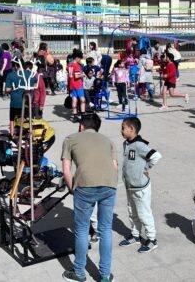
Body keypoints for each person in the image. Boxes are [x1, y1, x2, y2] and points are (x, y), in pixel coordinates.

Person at [61, 113, 118, 282]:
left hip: (84, 185)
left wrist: (72, 189)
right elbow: (115, 167)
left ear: (81, 126)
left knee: (82, 230)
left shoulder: (70, 139)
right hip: (109, 185)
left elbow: (66, 170)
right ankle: (105, 275)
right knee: (106, 229)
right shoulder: (108, 141)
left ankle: (79, 272)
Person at [119, 117, 162, 253]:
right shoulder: (126, 144)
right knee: (132, 212)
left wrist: (145, 168)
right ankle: (135, 235)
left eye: (123, 128)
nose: (121, 131)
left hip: (140, 187)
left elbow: (156, 156)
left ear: (131, 129)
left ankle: (151, 239)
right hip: (130, 186)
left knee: (144, 213)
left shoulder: (139, 145)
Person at [5, 61, 38, 135]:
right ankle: (28, 135)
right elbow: (35, 85)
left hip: (15, 102)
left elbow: (7, 89)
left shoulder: (11, 75)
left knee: (12, 119)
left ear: (16, 66)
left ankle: (12, 135)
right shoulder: (30, 74)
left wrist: (11, 89)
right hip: (27, 101)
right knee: (27, 119)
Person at [67, 50, 86, 121]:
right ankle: (83, 116)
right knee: (82, 100)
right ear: (77, 58)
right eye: (80, 58)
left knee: (74, 100)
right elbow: (76, 76)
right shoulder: (77, 65)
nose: (80, 60)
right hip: (78, 85)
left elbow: (69, 75)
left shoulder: (69, 65)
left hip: (72, 85)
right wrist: (83, 74)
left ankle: (75, 116)